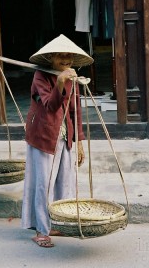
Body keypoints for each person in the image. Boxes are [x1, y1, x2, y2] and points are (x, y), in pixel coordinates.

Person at [21, 34, 94, 248]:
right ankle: (42, 230)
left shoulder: (73, 79)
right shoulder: (40, 77)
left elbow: (76, 112)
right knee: (44, 184)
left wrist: (79, 141)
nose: (66, 60)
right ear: (51, 57)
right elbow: (50, 106)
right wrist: (60, 82)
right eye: (61, 56)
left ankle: (56, 223)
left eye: (69, 56)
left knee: (65, 181)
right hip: (44, 136)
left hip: (65, 136)